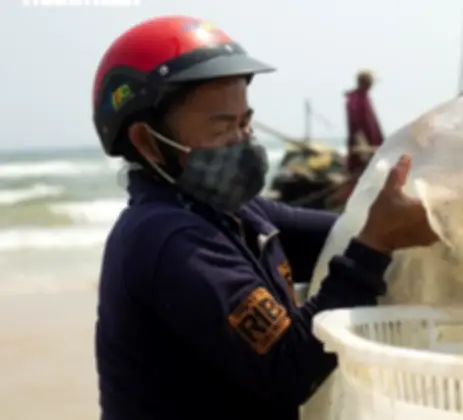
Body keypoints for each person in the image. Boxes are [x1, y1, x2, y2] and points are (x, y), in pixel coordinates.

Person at [92, 16, 437, 420]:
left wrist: (425, 208)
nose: (242, 140)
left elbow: (343, 233)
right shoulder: (170, 239)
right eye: (222, 128)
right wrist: (374, 245)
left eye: (245, 122)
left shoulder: (233, 213)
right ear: (147, 142)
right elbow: (289, 367)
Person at [345, 70, 384, 177]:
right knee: (362, 168)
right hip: (362, 141)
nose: (371, 84)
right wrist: (364, 145)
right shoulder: (356, 99)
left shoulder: (363, 96)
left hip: (369, 140)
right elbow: (357, 123)